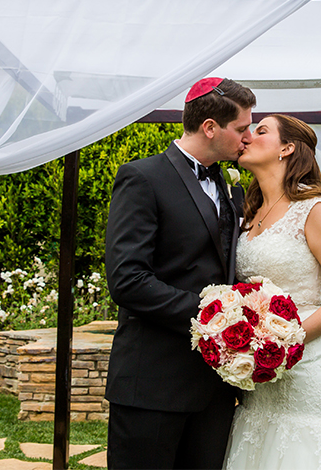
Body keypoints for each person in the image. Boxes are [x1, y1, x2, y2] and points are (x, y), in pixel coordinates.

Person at [104, 77, 256, 470]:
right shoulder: (141, 178)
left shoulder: (230, 184)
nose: (247, 138)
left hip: (214, 388)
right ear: (210, 127)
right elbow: (127, 279)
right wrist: (212, 317)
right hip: (152, 383)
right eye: (241, 129)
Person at [224, 113, 321, 470]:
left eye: (261, 131)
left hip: (309, 364)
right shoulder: (249, 212)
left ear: (287, 148)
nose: (247, 137)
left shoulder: (315, 209)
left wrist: (287, 343)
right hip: (259, 369)